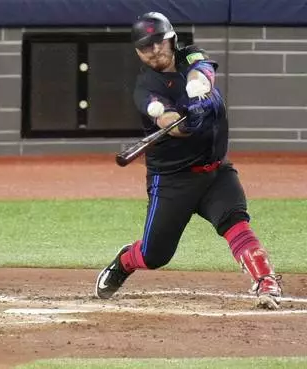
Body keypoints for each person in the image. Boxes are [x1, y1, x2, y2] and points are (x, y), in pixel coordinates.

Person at [94, 12, 283, 309]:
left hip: (215, 172)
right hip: (172, 180)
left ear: (171, 39)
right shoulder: (145, 88)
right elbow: (164, 117)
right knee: (155, 256)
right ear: (138, 52)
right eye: (146, 46)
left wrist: (197, 93)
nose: (154, 50)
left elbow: (203, 71)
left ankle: (266, 281)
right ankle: (125, 261)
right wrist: (185, 122)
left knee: (235, 221)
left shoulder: (192, 56)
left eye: (159, 41)